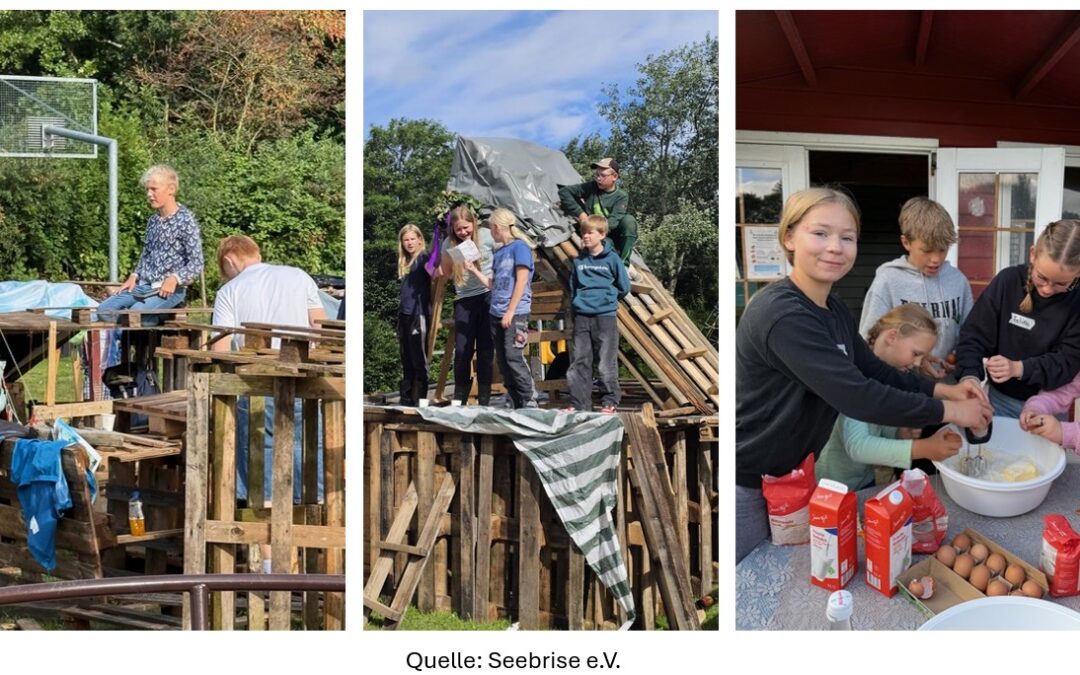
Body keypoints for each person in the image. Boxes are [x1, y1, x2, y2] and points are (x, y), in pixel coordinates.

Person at [735, 187, 992, 564]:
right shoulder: (782, 315)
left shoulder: (833, 308)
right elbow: (858, 395)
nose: (835, 247)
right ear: (789, 237)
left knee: (785, 573)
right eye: (820, 233)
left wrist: (945, 392)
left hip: (792, 476)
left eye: (847, 237)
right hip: (752, 483)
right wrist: (951, 413)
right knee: (751, 581)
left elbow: (873, 369)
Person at [211, 234, 327, 504]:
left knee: (261, 484)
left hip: (256, 385)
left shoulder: (230, 291)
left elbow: (221, 351)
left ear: (229, 260)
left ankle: (268, 545)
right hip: (302, 380)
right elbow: (321, 329)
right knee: (306, 459)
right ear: (256, 254)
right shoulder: (299, 276)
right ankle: (309, 541)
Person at [817, 304, 964, 491]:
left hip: (863, 480)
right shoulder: (857, 377)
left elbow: (877, 426)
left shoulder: (891, 377)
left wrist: (899, 434)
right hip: (829, 485)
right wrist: (924, 447)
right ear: (892, 337)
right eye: (916, 353)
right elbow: (858, 446)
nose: (918, 363)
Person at [955, 219, 1080, 419]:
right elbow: (974, 335)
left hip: (1049, 408)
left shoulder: (1077, 302)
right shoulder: (1008, 282)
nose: (1047, 289)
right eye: (1042, 277)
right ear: (1033, 254)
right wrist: (969, 375)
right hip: (1001, 401)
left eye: (1061, 284)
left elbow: (1067, 363)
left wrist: (1019, 368)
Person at [858, 197, 974, 380]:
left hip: (947, 384)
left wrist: (959, 360)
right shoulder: (888, 281)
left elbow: (969, 335)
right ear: (906, 242)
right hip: (899, 385)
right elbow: (868, 341)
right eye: (927, 250)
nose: (936, 259)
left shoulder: (958, 281)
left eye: (943, 250)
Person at [97, 164, 203, 325]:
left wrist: (175, 278)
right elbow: (147, 254)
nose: (149, 194)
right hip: (143, 286)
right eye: (148, 190)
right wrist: (135, 275)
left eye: (154, 189)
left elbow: (197, 263)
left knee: (134, 315)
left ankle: (160, 318)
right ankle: (153, 317)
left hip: (168, 290)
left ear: (171, 190)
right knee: (103, 311)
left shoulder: (186, 220)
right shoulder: (153, 221)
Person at [464, 208, 537, 409]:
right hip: (496, 312)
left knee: (513, 356)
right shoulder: (499, 252)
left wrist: (511, 311)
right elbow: (492, 283)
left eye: (491, 229)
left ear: (496, 228)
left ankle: (528, 397)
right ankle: (513, 398)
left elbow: (522, 280)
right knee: (503, 361)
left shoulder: (520, 248)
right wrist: (474, 271)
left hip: (515, 312)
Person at [565, 214, 630, 413]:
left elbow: (624, 286)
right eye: (583, 232)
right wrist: (579, 304)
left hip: (605, 316)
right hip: (582, 316)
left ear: (602, 234)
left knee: (605, 361)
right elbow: (573, 287)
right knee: (580, 360)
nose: (585, 236)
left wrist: (607, 300)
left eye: (590, 233)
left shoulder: (612, 259)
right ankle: (578, 404)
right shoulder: (579, 261)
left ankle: (609, 401)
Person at [439, 205, 496, 405]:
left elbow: (502, 260)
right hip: (464, 299)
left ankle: (484, 399)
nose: (463, 232)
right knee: (462, 350)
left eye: (466, 228)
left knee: (485, 349)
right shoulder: (448, 243)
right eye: (458, 229)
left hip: (487, 295)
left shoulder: (487, 235)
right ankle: (459, 399)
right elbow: (445, 272)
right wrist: (455, 262)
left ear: (473, 223)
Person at [558, 157, 638, 270]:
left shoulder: (621, 196)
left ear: (614, 177)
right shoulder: (591, 187)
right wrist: (581, 214)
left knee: (629, 221)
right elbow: (564, 192)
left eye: (603, 175)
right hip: (597, 236)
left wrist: (596, 229)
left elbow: (613, 222)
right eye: (597, 175)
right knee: (605, 245)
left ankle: (624, 265)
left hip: (611, 233)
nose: (599, 178)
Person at [395, 224, 433, 406]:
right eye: (406, 240)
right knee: (406, 356)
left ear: (419, 240)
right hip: (405, 314)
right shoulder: (405, 263)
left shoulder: (423, 258)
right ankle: (406, 397)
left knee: (419, 356)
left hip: (419, 313)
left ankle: (421, 398)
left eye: (412, 239)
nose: (409, 243)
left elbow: (435, 269)